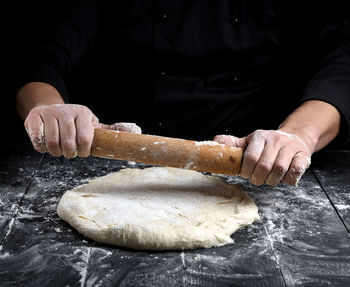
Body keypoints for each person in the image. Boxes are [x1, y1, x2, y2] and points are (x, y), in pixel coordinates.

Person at [14, 1, 350, 187]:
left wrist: (297, 136)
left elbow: (341, 58)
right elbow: (42, 49)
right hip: (111, 165)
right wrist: (48, 107)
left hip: (249, 167)